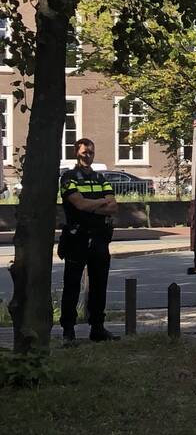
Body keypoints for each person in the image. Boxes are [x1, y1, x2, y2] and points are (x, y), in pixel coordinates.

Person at [59, 138, 118, 344]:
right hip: (77, 238)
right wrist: (101, 202)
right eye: (84, 152)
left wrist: (94, 204)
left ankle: (98, 328)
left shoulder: (100, 178)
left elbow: (113, 206)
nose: (88, 156)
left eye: (91, 152)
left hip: (100, 238)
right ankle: (68, 331)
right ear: (76, 152)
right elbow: (79, 204)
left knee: (99, 285)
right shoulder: (68, 177)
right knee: (72, 285)